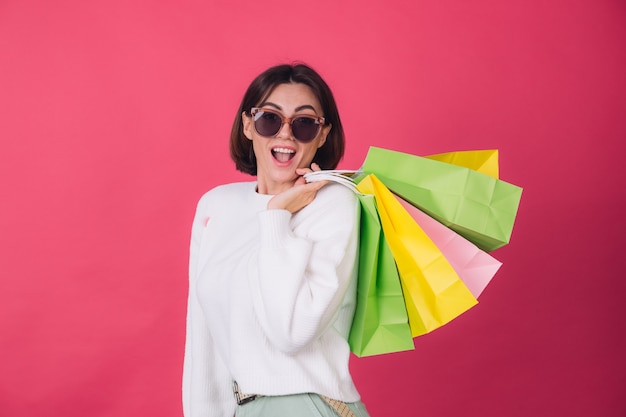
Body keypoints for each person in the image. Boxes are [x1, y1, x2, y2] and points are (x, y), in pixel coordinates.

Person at [182, 63, 370, 417]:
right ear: (248, 125)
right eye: (270, 119)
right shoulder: (216, 205)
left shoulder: (335, 204)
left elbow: (291, 332)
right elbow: (203, 343)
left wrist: (276, 216)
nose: (285, 135)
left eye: (304, 123)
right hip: (242, 408)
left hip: (308, 406)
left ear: (322, 134)